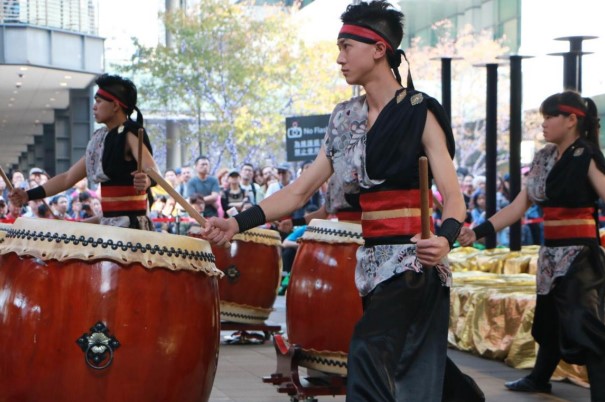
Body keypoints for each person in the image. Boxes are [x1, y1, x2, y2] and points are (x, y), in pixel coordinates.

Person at [204, 2, 482, 401]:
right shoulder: (344, 118)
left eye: (346, 45)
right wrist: (237, 222)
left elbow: (453, 196)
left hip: (414, 263)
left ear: (379, 48)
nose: (339, 58)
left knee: (368, 352)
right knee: (409, 357)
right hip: (370, 265)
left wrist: (447, 237)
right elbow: (299, 191)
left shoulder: (419, 112)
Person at [458, 91, 605, 401]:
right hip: (550, 255)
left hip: (579, 256)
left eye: (551, 116)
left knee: (583, 326)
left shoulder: (586, 155)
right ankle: (540, 378)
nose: (544, 123)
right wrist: (478, 231)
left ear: (571, 120)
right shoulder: (543, 158)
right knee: (549, 321)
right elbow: (517, 207)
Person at [9, 73, 157, 230]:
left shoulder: (130, 133)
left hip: (132, 230)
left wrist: (147, 180)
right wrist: (28, 195)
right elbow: (67, 178)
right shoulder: (100, 139)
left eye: (99, 102)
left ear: (115, 106)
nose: (94, 106)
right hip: (109, 224)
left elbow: (154, 172)